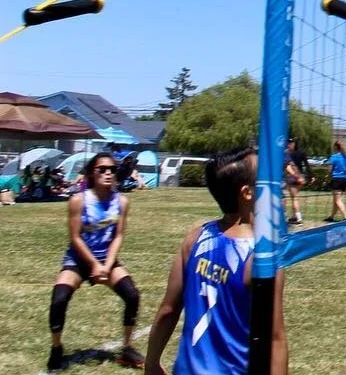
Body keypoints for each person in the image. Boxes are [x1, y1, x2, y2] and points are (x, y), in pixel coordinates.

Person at [144, 147, 287, 374]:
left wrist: (151, 363)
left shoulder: (195, 238)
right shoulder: (262, 257)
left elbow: (168, 310)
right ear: (247, 193)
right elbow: (275, 339)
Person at [47, 152, 143, 371]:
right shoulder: (78, 201)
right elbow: (75, 237)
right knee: (59, 299)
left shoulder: (122, 202)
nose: (108, 173)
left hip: (106, 260)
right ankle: (56, 348)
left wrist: (107, 266)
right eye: (102, 169)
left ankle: (127, 348)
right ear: (92, 172)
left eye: (112, 169)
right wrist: (93, 265)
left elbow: (118, 236)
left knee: (132, 295)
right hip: (79, 260)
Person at [323, 141, 346, 222]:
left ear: (336, 147)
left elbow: (330, 171)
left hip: (336, 180)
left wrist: (326, 179)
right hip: (344, 180)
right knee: (336, 200)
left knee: (337, 200)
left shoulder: (333, 157)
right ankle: (331, 217)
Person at [284, 137, 310, 225]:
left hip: (292, 177)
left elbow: (290, 166)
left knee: (294, 198)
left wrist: (296, 176)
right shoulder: (301, 152)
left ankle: (298, 218)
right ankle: (294, 216)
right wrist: (307, 176)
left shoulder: (287, 153)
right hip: (299, 176)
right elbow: (306, 165)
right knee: (294, 198)